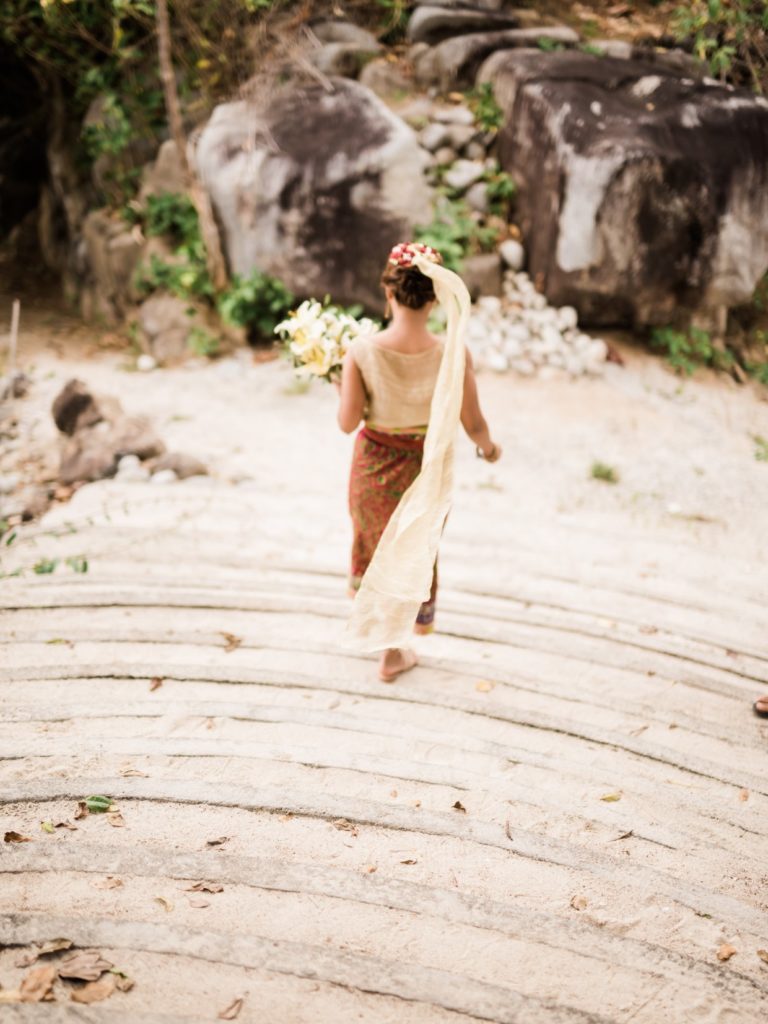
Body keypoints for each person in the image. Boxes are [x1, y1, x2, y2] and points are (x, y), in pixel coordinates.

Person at [337, 241, 500, 683]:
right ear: (435, 297)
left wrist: (340, 384)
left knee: (376, 547)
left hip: (372, 467)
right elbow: (473, 420)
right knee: (412, 550)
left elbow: (347, 422)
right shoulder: (452, 353)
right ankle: (393, 648)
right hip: (423, 471)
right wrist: (488, 448)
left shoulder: (360, 351)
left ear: (388, 293)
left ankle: (386, 644)